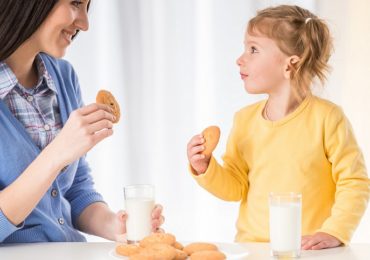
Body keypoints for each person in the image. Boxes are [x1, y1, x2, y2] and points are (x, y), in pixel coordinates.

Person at [187, 5, 369, 250]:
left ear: (290, 65)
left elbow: (354, 182)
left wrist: (334, 231)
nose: (240, 59)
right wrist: (206, 167)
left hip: (309, 251)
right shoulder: (244, 120)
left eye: (253, 49)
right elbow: (235, 187)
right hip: (254, 249)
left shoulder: (327, 118)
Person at [0, 0, 163, 243]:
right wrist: (57, 153)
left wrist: (114, 225)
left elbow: (75, 188)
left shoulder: (63, 77)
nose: (85, 24)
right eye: (75, 3)